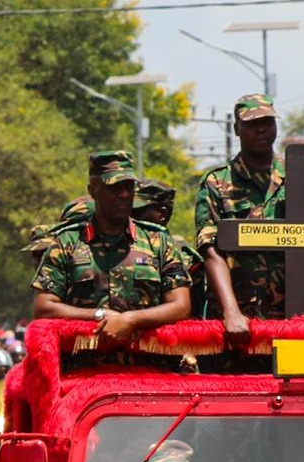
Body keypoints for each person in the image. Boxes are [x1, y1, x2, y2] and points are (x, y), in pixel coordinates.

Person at [31, 151, 194, 346]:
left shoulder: (159, 241)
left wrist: (130, 320)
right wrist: (99, 315)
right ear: (93, 191)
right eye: (114, 187)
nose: (124, 194)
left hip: (149, 367)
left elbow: (181, 306)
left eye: (129, 186)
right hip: (84, 368)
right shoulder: (66, 243)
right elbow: (44, 308)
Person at [193, 94, 290, 337]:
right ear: (237, 128)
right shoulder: (217, 183)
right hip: (236, 323)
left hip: (292, 319)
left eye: (267, 123)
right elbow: (210, 250)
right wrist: (231, 311)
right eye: (251, 124)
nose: (261, 130)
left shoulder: (299, 178)